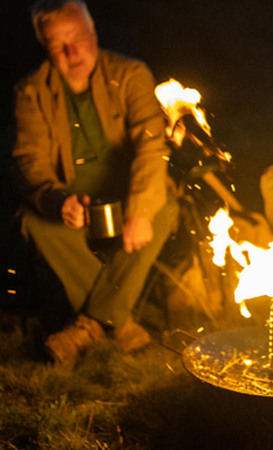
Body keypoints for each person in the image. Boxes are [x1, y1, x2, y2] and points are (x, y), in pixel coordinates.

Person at [12, 0, 177, 367]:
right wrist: (57, 201)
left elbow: (152, 146)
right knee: (33, 219)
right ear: (46, 48)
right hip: (78, 205)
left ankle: (89, 326)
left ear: (93, 33)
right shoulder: (31, 92)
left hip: (126, 198)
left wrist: (140, 210)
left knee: (164, 206)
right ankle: (120, 322)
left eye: (77, 38)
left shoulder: (131, 74)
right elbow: (30, 161)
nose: (72, 52)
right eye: (58, 45)